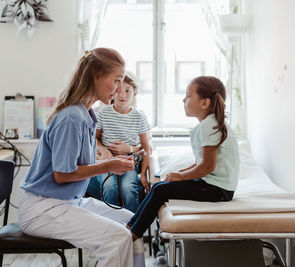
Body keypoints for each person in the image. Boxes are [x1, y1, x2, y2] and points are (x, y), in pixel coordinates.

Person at [18, 48, 145, 267]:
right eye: (116, 81)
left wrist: (110, 165)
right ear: (96, 75)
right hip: (44, 210)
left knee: (134, 223)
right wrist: (108, 166)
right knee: (117, 238)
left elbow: (74, 166)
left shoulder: (87, 115)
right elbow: (62, 175)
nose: (118, 89)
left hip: (67, 203)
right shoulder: (71, 118)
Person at [126, 76, 240, 240]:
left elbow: (207, 167)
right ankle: (131, 226)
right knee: (162, 185)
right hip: (217, 187)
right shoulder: (211, 123)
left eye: (188, 96)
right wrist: (179, 173)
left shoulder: (210, 125)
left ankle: (132, 233)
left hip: (218, 190)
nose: (183, 99)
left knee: (159, 190)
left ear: (204, 103)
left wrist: (181, 176)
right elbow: (200, 163)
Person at [86, 72, 151, 212]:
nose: (123, 95)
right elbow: (94, 138)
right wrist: (104, 150)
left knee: (128, 188)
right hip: (107, 162)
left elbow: (146, 147)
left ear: (135, 93)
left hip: (129, 162)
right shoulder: (103, 112)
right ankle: (113, 223)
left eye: (128, 91)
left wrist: (144, 175)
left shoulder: (139, 116)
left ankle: (133, 226)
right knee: (109, 187)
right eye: (119, 91)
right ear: (113, 92)